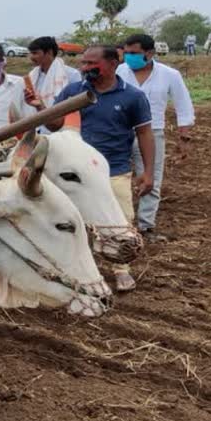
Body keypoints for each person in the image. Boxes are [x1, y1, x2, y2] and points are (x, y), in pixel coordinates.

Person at [35, 44, 155, 293]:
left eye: (92, 63)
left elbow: (144, 133)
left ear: (113, 64)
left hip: (115, 170)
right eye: (83, 63)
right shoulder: (73, 91)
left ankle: (122, 271)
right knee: (72, 223)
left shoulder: (132, 96)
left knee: (119, 222)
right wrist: (40, 108)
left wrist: (148, 172)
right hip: (75, 175)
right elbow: (56, 125)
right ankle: (79, 272)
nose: (86, 68)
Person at [118, 34, 195, 242]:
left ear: (150, 53)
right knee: (116, 177)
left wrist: (184, 136)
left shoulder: (169, 75)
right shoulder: (119, 72)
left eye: (134, 53)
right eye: (126, 53)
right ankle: (117, 224)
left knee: (151, 178)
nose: (129, 57)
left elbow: (183, 104)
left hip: (153, 133)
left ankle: (145, 226)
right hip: (120, 131)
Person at [27, 36, 82, 108]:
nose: (31, 57)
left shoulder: (71, 74)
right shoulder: (32, 75)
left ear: (49, 52)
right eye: (31, 53)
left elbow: (77, 102)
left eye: (35, 53)